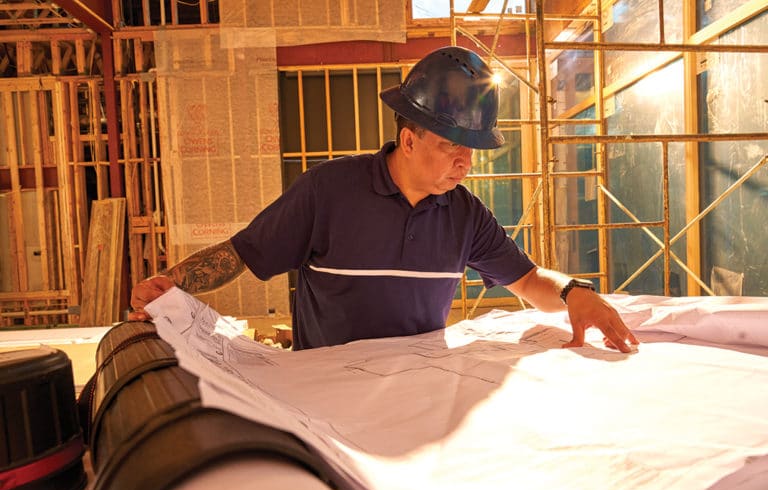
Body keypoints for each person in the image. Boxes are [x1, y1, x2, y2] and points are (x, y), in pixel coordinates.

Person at [130, 46, 639, 353]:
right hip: (326, 393)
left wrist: (575, 292)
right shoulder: (328, 191)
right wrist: (171, 284)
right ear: (409, 138)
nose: (465, 163)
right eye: (450, 146)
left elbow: (527, 281)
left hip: (415, 388)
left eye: (472, 150)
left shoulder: (465, 214)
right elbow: (240, 254)